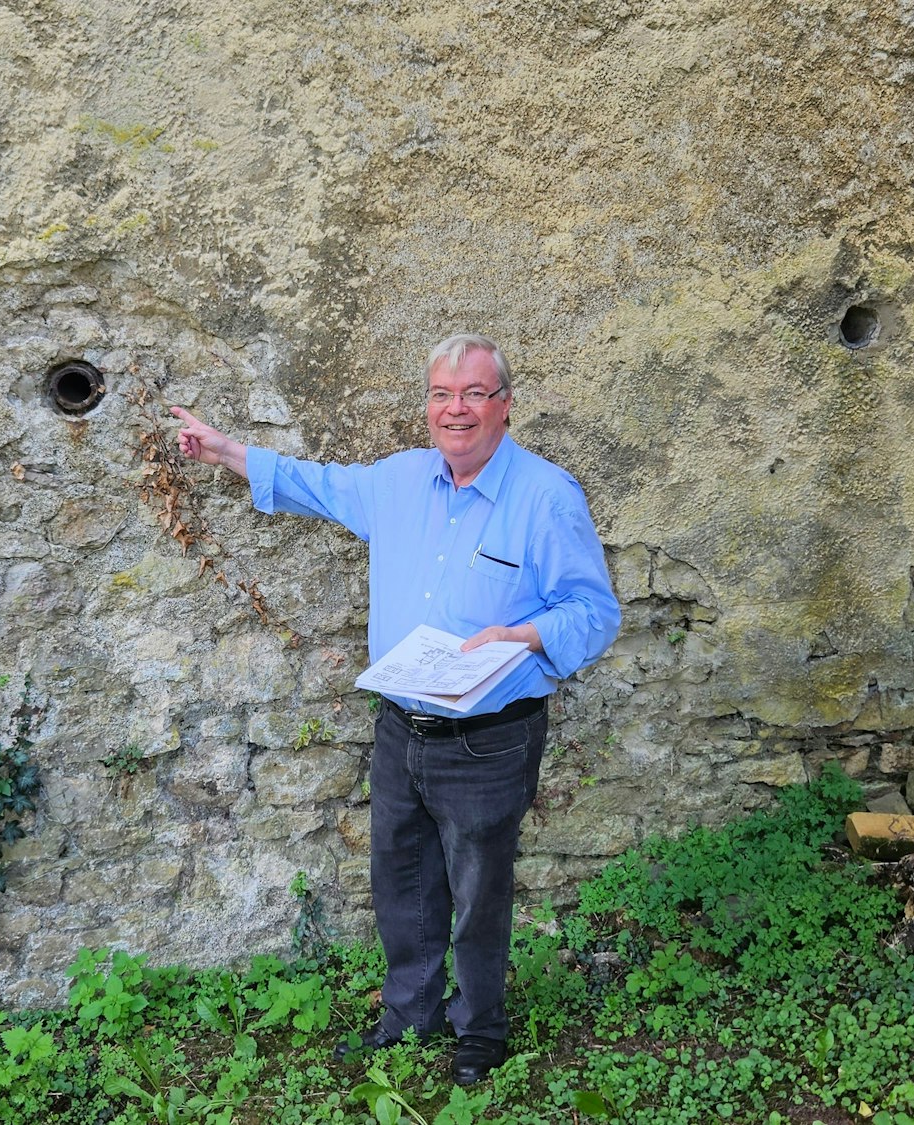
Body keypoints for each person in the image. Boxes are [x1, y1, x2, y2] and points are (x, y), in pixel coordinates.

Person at [171, 333, 621, 1085]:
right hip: (400, 727)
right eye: (443, 394)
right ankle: (409, 1013)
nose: (457, 409)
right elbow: (313, 483)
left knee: (479, 891)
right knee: (402, 880)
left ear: (505, 405)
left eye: (475, 393)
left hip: (488, 739)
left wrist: (526, 631)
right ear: (427, 407)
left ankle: (479, 1030)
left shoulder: (546, 496)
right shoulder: (399, 481)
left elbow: (595, 612)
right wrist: (223, 450)